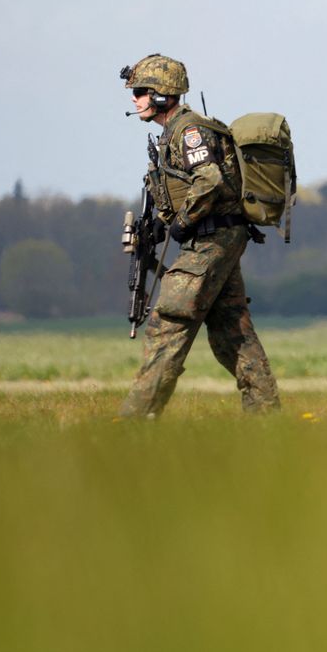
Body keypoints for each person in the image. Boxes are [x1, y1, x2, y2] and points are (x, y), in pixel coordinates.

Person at [117, 54, 280, 418]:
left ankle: (134, 420)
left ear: (162, 94)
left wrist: (183, 222)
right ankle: (268, 421)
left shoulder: (188, 131)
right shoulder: (174, 131)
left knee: (169, 323)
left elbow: (210, 179)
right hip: (215, 239)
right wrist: (163, 224)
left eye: (141, 91)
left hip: (211, 240)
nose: (135, 99)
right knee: (232, 335)